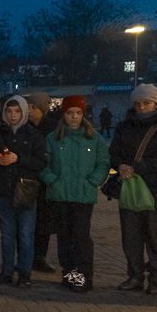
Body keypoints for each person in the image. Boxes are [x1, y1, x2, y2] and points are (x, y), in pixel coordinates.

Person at [40, 95, 110, 292]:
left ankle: (84, 278)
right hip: (60, 194)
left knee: (81, 237)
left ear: (83, 114)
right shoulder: (52, 138)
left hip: (82, 196)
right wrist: (51, 179)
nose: (74, 117)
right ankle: (69, 275)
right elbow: (43, 163)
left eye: (78, 113)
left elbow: (103, 163)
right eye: (70, 113)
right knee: (64, 237)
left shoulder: (94, 138)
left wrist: (93, 181)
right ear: (64, 114)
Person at [109, 84, 157, 295]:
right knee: (131, 235)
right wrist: (120, 166)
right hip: (130, 187)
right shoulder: (125, 126)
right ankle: (135, 276)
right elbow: (114, 153)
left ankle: (156, 278)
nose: (142, 107)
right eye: (138, 104)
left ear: (156, 103)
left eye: (147, 103)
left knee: (155, 235)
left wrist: (137, 167)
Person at [0, 96, 48, 287]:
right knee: (7, 234)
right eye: (9, 111)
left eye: (17, 111)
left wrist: (18, 158)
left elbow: (41, 162)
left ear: (24, 112)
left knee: (26, 234)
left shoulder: (34, 135)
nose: (13, 115)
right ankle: (6, 271)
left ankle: (24, 273)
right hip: (4, 189)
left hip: (26, 189)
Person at [27, 91, 60, 273]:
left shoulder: (53, 128)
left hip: (46, 182)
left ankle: (40, 257)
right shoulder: (23, 126)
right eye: (29, 107)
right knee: (26, 222)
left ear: (43, 109)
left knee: (44, 222)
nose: (30, 111)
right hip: (28, 180)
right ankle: (26, 256)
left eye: (34, 108)